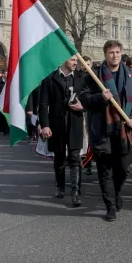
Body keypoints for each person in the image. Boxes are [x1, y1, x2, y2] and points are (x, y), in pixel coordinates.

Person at [80, 40, 132, 222]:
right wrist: (100, 97)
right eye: (111, 52)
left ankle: (116, 193)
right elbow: (84, 99)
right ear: (105, 54)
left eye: (117, 52)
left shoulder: (131, 76)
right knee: (105, 170)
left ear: (121, 53)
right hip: (102, 129)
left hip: (126, 130)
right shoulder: (94, 76)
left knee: (123, 168)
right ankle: (110, 206)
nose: (114, 55)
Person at [39, 56, 87, 207]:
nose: (75, 63)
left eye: (76, 60)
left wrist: (83, 106)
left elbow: (88, 97)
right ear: (63, 60)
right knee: (59, 157)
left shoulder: (81, 77)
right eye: (72, 60)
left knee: (75, 157)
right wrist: (45, 125)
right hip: (57, 124)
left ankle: (76, 192)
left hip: (75, 123)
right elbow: (43, 104)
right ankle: (60, 186)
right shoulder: (50, 78)